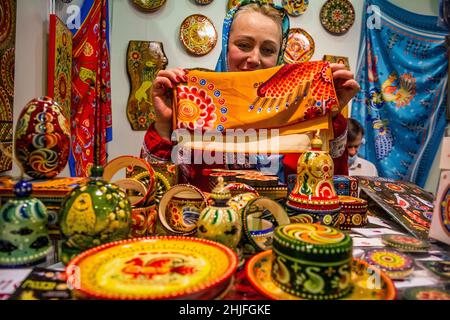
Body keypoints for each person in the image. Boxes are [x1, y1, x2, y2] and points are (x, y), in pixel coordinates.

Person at [141, 0, 360, 191]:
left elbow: (333, 190)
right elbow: (151, 191)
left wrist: (332, 116)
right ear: (226, 47)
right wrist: (163, 124)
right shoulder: (196, 108)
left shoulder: (303, 113)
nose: (254, 58)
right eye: (244, 45)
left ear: (279, 56)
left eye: (267, 50)